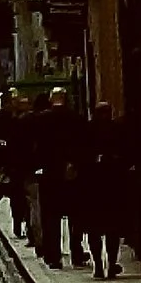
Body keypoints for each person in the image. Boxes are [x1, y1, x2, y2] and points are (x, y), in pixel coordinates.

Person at [31, 86, 84, 268]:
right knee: (75, 216)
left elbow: (36, 147)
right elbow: (82, 145)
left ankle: (53, 256)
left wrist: (38, 166)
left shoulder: (40, 119)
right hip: (71, 173)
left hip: (50, 173)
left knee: (50, 217)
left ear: (51, 99)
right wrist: (74, 163)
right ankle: (77, 253)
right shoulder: (76, 118)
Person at [81, 102, 126, 279]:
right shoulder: (116, 130)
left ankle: (102, 265)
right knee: (109, 230)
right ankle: (106, 265)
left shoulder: (88, 130)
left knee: (100, 230)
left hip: (96, 188)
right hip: (108, 187)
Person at [0, 94, 36, 240]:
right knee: (21, 199)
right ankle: (22, 226)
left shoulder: (18, 122)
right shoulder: (16, 121)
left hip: (21, 167)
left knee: (22, 200)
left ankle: (24, 227)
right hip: (21, 167)